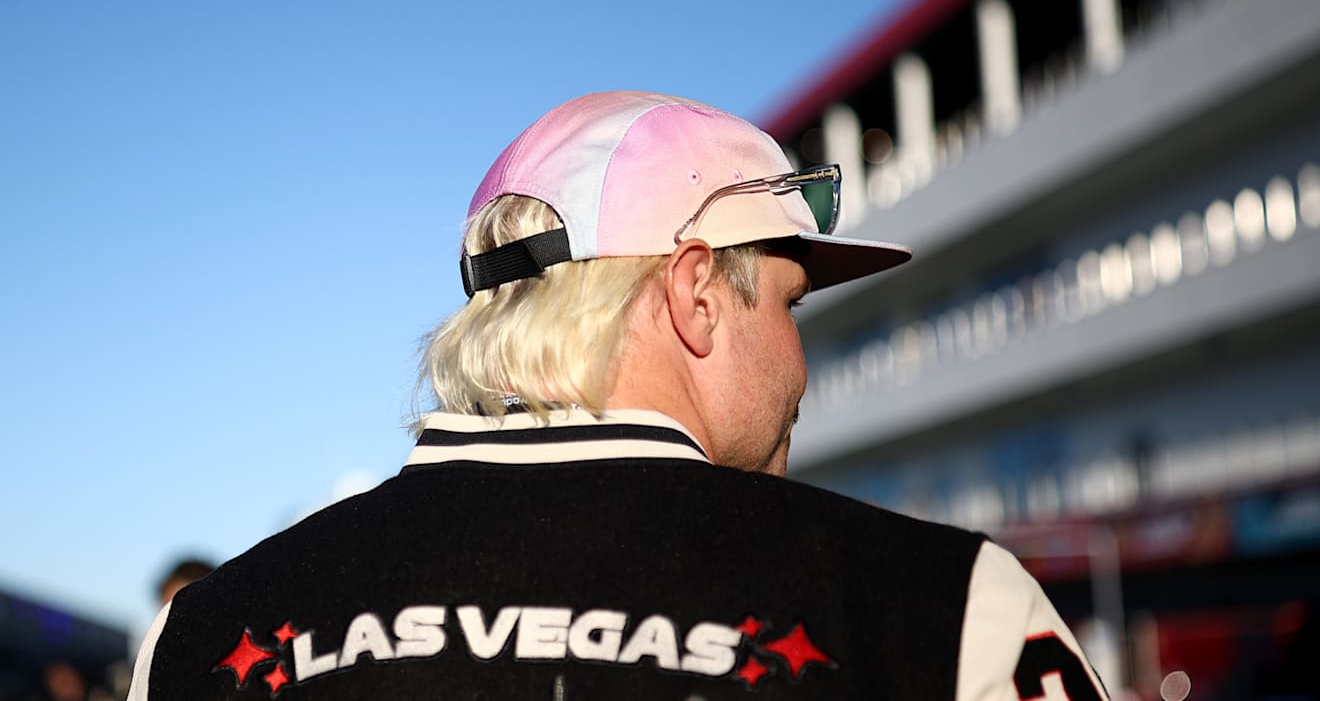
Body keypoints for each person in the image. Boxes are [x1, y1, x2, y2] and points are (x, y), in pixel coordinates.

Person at [127, 91, 1108, 699]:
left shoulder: (205, 633)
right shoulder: (935, 606)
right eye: (790, 303)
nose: (798, 364)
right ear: (694, 293)